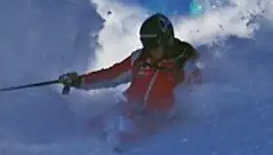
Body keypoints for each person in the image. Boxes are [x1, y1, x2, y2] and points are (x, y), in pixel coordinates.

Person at [57, 13, 200, 145]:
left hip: (158, 123)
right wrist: (79, 80)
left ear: (167, 40)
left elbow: (201, 93)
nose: (149, 49)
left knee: (124, 143)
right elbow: (111, 76)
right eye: (145, 43)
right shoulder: (140, 59)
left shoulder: (185, 64)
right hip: (129, 112)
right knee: (90, 129)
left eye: (153, 44)